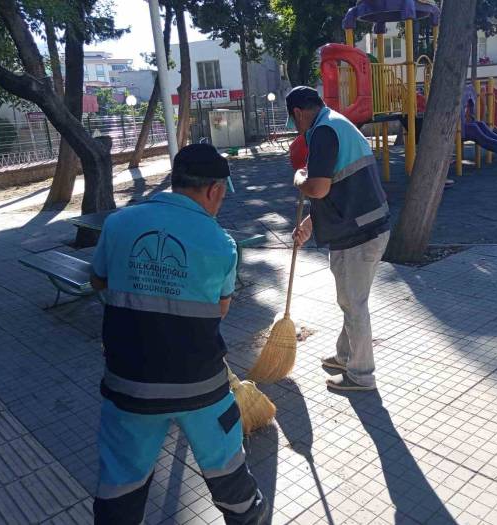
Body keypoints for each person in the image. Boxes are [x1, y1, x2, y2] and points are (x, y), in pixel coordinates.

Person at [90, 144, 265, 524]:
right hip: (200, 386)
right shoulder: (221, 243)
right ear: (214, 190)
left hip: (128, 383)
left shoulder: (118, 223)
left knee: (121, 482)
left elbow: (98, 279)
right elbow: (219, 310)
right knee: (226, 469)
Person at [287, 86, 390, 392]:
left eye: (294, 122)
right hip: (362, 228)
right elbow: (341, 188)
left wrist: (298, 179)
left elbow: (317, 188)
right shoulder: (337, 123)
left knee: (354, 304)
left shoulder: (322, 131)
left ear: (297, 113)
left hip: (360, 234)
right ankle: (345, 355)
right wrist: (309, 222)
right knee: (350, 300)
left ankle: (361, 375)